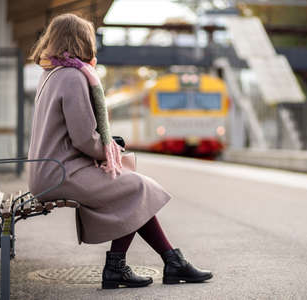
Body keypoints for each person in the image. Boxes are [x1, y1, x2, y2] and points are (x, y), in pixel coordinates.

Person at [28, 13, 212, 289]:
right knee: (137, 186)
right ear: (80, 41)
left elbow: (74, 133)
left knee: (131, 185)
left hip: (51, 169)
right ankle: (130, 265)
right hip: (60, 172)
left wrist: (108, 147)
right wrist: (109, 149)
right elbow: (82, 138)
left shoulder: (51, 73)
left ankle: (169, 262)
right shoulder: (72, 77)